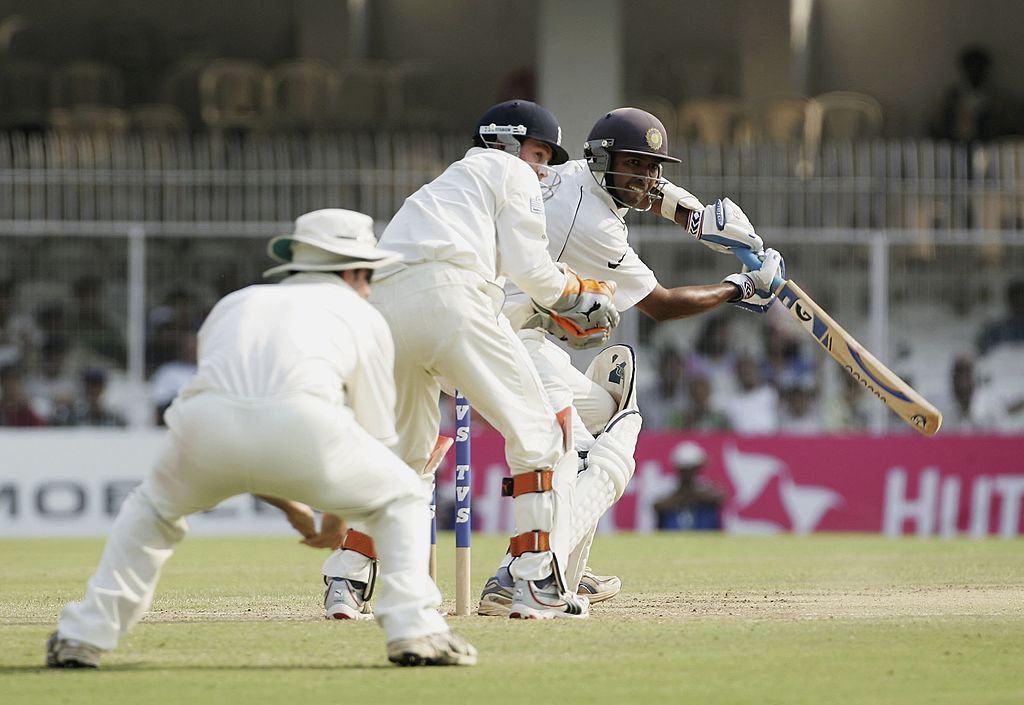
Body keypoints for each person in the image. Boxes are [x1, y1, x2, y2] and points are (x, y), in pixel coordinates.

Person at [46, 208, 477, 669]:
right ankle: (414, 629)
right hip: (305, 423)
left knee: (149, 511)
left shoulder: (236, 301)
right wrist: (335, 514)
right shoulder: (362, 314)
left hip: (200, 427)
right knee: (404, 497)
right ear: (352, 271)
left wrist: (293, 507)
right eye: (368, 275)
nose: (370, 287)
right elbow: (375, 438)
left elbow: (241, 421)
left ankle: (83, 633)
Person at [317, 100, 619, 621]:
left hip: (384, 310)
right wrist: (580, 292)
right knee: (540, 437)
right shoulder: (507, 171)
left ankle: (347, 579)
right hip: (451, 301)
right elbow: (534, 275)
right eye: (539, 151)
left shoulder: (442, 193)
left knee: (402, 456)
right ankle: (532, 583)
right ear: (503, 140)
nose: (542, 166)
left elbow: (482, 296)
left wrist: (544, 314)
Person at [477, 106, 785, 615]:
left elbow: (658, 196)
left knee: (608, 413)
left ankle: (567, 564)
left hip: (520, 338)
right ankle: (520, 574)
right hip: (507, 343)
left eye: (652, 166)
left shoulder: (579, 176)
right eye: (635, 166)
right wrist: (741, 285)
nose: (647, 178)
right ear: (603, 162)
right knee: (586, 452)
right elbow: (661, 306)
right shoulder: (593, 222)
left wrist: (704, 221)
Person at [653, 441, 724, 530]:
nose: (690, 473)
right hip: (673, 537)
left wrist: (690, 495)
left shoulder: (704, 486)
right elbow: (658, 505)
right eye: (688, 469)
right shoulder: (668, 485)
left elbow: (719, 497)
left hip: (704, 536)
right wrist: (684, 496)